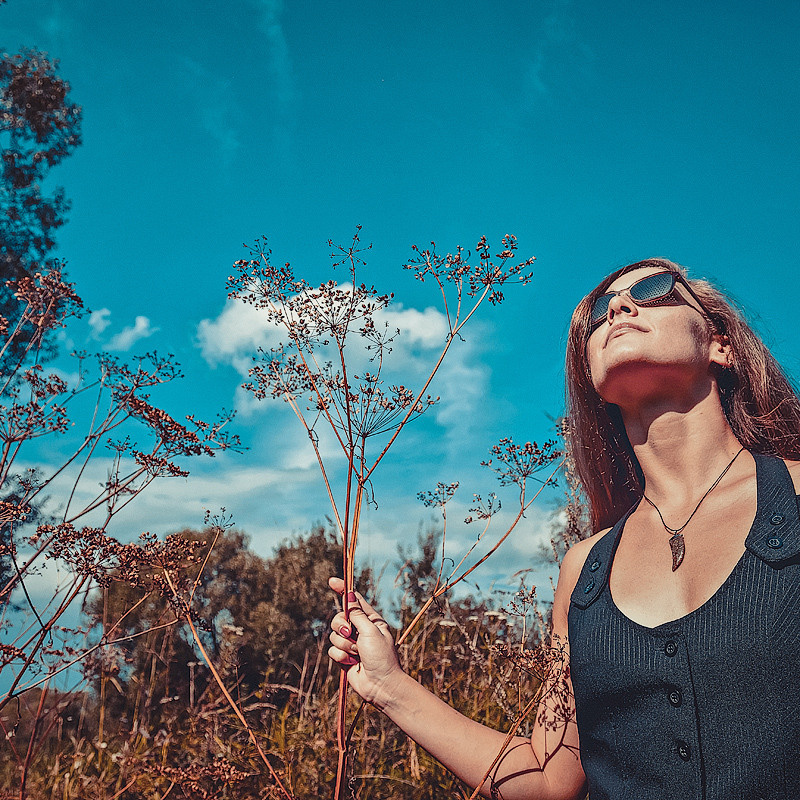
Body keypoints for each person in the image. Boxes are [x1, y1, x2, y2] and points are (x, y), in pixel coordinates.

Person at [328, 258, 800, 800]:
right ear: (594, 384)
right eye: (600, 313)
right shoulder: (583, 572)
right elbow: (551, 780)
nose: (619, 307)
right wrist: (390, 687)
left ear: (721, 345)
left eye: (655, 290)